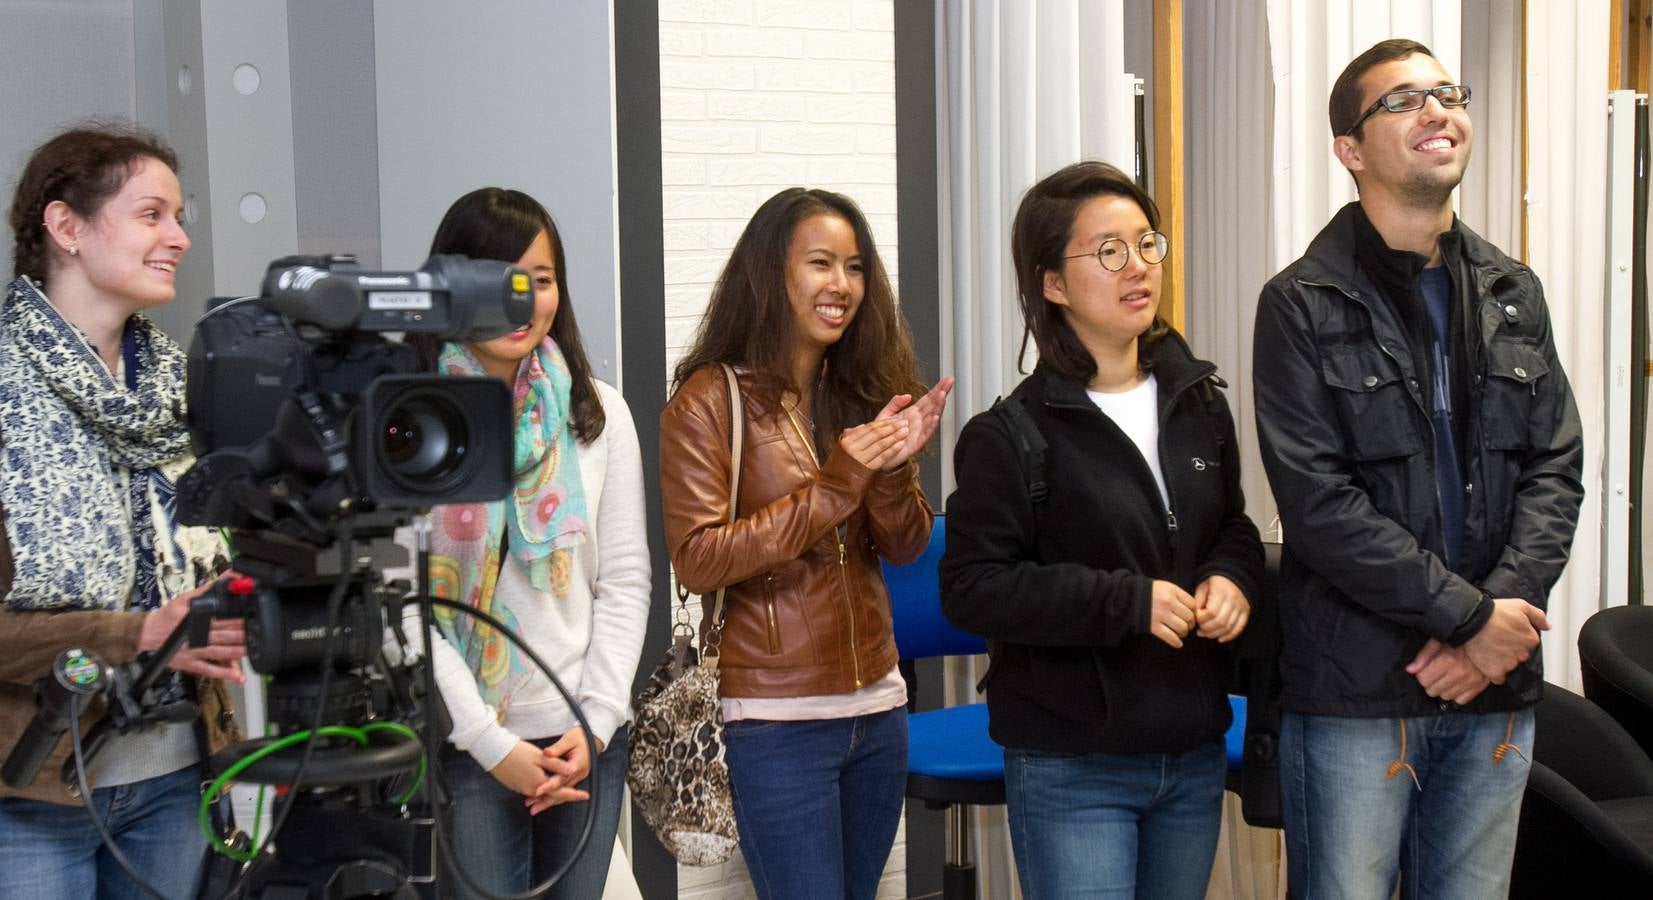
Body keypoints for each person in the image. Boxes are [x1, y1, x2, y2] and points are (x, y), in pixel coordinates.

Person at [1252, 39, 1585, 899]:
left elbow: (1554, 465)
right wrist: (1470, 619)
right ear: (1350, 151)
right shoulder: (1298, 303)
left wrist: (1496, 626)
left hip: (1491, 694)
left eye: (1446, 92)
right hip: (1359, 692)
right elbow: (1318, 502)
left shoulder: (1515, 289)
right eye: (1401, 100)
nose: (1436, 110)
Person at [939, 160, 1263, 898]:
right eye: (1107, 251)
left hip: (1190, 744)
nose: (1136, 266)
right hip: (1071, 760)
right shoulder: (1008, 434)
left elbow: (1231, 526)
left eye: (1146, 244)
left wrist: (1232, 579)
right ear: (1051, 283)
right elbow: (973, 589)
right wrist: (1128, 602)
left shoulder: (1198, 400)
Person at [659, 187, 952, 900]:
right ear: (770, 275)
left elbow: (908, 545)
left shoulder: (856, 391)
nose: (842, 286)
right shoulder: (707, 400)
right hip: (774, 721)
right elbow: (698, 559)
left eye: (854, 268)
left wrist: (887, 473)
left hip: (879, 709)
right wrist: (837, 483)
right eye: (820, 263)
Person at [0, 123, 248, 899]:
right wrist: (128, 636)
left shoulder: (190, 387)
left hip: (179, 774)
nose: (177, 237)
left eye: (179, 218)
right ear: (66, 227)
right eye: (151, 214)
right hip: (30, 790)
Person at [398, 187, 650, 899]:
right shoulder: (408, 425)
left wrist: (597, 721)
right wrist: (487, 740)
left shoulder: (596, 413)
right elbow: (403, 606)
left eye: (538, 280)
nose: (521, 300)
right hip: (466, 741)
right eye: (496, 279)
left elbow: (625, 580)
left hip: (585, 742)